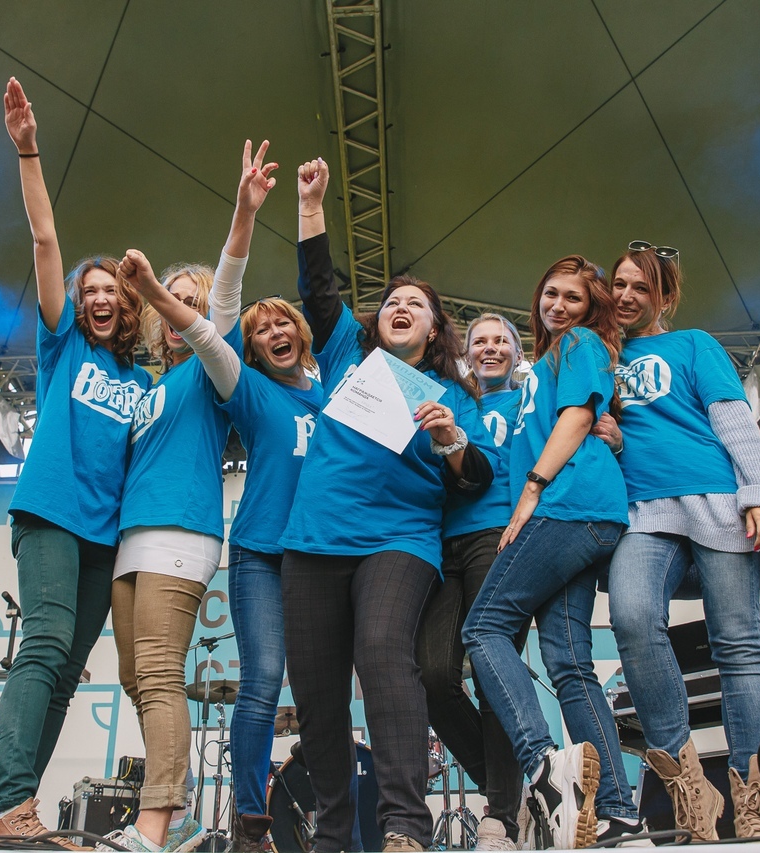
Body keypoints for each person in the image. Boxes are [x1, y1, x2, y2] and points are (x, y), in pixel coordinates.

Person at [279, 158, 495, 853]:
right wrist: (311, 204)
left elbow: (477, 475)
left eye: (416, 305)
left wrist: (450, 437)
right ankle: (333, 835)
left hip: (399, 541)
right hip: (313, 539)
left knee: (381, 652)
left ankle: (404, 825)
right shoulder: (348, 351)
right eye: (392, 301)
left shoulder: (453, 394)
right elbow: (319, 286)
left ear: (434, 330)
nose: (400, 307)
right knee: (316, 693)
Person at [0, 77, 152, 846]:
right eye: (89, 290)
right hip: (50, 515)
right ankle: (6, 802)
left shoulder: (140, 380)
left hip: (103, 538)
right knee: (45, 647)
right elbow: (46, 241)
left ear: (128, 302)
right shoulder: (63, 347)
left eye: (110, 289)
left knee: (64, 677)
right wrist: (28, 151)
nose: (98, 297)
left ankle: (18, 813)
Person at [109, 141, 278, 853]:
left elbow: (228, 287)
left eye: (190, 296)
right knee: (134, 676)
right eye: (168, 295)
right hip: (131, 537)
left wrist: (244, 210)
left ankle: (157, 821)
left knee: (156, 671)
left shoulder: (215, 363)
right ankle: (176, 817)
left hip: (180, 530)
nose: (176, 303)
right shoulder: (152, 385)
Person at [462, 257, 644, 849]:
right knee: (568, 661)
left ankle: (542, 764)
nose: (558, 305)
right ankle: (618, 813)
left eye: (572, 297)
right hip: (585, 516)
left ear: (590, 308)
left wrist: (533, 489)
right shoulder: (542, 365)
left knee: (483, 628)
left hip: (569, 506)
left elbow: (579, 416)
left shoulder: (579, 343)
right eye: (551, 294)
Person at [606, 241, 760, 841]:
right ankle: (689, 791)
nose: (627, 295)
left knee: (739, 646)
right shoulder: (601, 357)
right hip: (642, 510)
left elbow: (732, 416)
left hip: (715, 498)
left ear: (665, 297)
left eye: (641, 287)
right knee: (632, 619)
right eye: (619, 284)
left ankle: (755, 805)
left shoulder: (693, 344)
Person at [417, 314, 525, 851]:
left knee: (491, 673)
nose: (490, 348)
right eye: (480, 341)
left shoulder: (528, 402)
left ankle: (501, 817)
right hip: (443, 542)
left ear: (517, 353)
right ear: (466, 353)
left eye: (501, 340)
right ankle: (516, 789)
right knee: (432, 675)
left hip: (499, 535)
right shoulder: (453, 399)